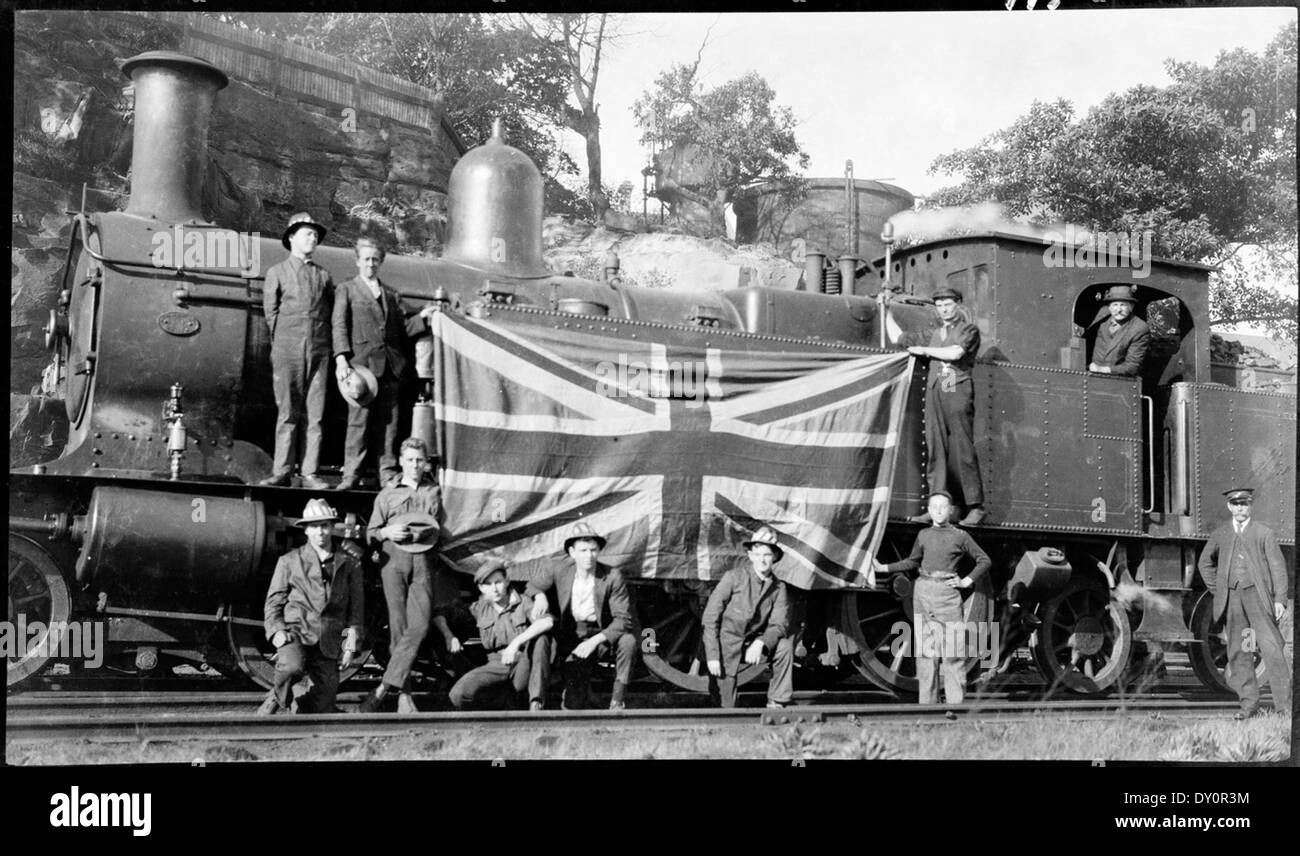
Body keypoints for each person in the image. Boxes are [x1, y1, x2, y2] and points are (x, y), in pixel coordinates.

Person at [359, 437, 460, 713]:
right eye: (410, 460)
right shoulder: (387, 493)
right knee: (398, 627)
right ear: (401, 462)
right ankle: (405, 696)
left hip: (424, 563)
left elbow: (441, 529)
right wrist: (386, 532)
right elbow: (370, 534)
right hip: (394, 560)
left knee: (419, 626)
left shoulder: (435, 492)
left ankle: (381, 689)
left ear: (425, 462)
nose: (415, 465)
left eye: (419, 460)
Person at [872, 490, 991, 705]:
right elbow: (912, 562)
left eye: (943, 507)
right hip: (922, 592)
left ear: (951, 510)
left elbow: (984, 560)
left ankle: (956, 704)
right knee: (926, 655)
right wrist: (884, 568)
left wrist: (966, 581)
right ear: (928, 510)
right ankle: (927, 706)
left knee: (953, 653)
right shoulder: (923, 535)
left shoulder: (960, 536)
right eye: (934, 507)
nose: (938, 510)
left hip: (948, 595)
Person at [332, 237, 425, 490]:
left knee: (390, 423)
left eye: (375, 259)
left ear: (381, 262)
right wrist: (342, 360)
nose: (371, 264)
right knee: (358, 422)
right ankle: (351, 474)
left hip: (391, 367)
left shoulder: (392, 294)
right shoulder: (347, 289)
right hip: (361, 368)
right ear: (357, 261)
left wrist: (425, 318)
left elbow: (405, 329)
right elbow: (339, 326)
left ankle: (387, 472)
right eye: (366, 259)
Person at [259, 498, 364, 714]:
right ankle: (274, 700)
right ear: (306, 530)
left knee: (322, 703)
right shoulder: (289, 561)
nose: (321, 532)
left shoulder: (350, 564)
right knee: (292, 666)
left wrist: (350, 645)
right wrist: (277, 631)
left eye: (325, 526)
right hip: (296, 631)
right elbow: (273, 603)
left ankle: (299, 707)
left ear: (331, 528)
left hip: (329, 638)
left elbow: (356, 611)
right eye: (315, 527)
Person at [1196, 488, 1292, 719]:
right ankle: (1249, 706)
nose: (1240, 508)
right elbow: (1204, 563)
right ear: (1229, 507)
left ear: (1251, 507)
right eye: (1236, 504)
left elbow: (1278, 569)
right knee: (1241, 651)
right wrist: (1219, 590)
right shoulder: (1221, 534)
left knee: (1272, 649)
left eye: (1244, 504)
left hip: (1258, 598)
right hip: (1234, 600)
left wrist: (1279, 599)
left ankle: (1285, 708)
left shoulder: (1264, 533)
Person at [526, 522, 637, 710]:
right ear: (572, 552)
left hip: (600, 636)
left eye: (593, 550)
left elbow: (623, 619)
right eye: (583, 550)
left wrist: (593, 642)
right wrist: (540, 597)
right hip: (570, 636)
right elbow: (532, 585)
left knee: (629, 641)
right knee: (573, 703)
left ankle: (617, 700)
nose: (589, 556)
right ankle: (538, 702)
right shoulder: (559, 569)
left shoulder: (612, 576)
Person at [260, 212, 335, 489]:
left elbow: (329, 312)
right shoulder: (276, 273)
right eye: (308, 234)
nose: (313, 238)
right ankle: (281, 470)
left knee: (315, 415)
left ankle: (310, 473)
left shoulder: (324, 276)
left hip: (319, 350)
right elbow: (272, 315)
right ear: (292, 238)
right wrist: (284, 343)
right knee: (287, 412)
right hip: (287, 348)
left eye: (315, 235)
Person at [907, 286, 986, 526]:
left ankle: (975, 506)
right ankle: (938, 508)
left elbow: (955, 353)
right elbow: (899, 338)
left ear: (958, 305)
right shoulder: (933, 332)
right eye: (939, 305)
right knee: (936, 450)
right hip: (936, 391)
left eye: (948, 304)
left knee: (962, 448)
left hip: (955, 387)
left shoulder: (968, 330)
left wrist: (923, 350)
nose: (943, 309)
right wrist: (886, 309)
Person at [702, 527, 794, 709]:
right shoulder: (733, 578)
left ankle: (777, 700)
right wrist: (712, 656)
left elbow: (779, 625)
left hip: (753, 644)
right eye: (758, 554)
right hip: (725, 646)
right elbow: (710, 618)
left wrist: (761, 642)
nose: (762, 559)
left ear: (774, 557)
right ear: (750, 555)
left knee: (784, 646)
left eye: (767, 555)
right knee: (725, 707)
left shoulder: (779, 588)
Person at [448, 559, 554, 710]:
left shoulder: (523, 601)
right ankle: (502, 699)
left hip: (523, 663)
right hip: (497, 664)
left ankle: (536, 703)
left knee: (541, 639)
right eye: (488, 585)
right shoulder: (478, 608)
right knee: (458, 695)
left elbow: (547, 622)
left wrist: (515, 643)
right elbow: (442, 615)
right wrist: (448, 636)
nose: (495, 589)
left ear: (507, 581)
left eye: (498, 582)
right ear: (480, 588)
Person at [1088, 285, 1150, 377]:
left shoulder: (1140, 328)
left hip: (1123, 381)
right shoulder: (1103, 326)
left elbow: (1132, 366)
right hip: (1099, 378)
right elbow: (1097, 358)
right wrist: (1094, 367)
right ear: (1109, 308)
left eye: (1123, 305)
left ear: (1131, 307)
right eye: (1115, 305)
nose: (1118, 310)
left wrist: (1105, 370)